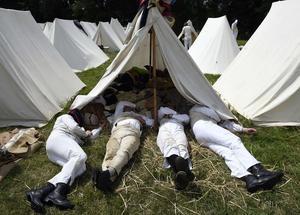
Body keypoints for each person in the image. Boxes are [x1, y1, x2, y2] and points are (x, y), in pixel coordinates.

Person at [189, 105, 283, 193]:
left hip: (200, 136)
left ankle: (249, 179)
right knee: (233, 140)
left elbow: (223, 122)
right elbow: (219, 117)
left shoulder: (201, 111)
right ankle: (259, 171)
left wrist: (243, 129)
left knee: (227, 153)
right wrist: (221, 111)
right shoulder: (198, 107)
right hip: (205, 127)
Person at [25, 109, 105, 213]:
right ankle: (58, 192)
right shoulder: (65, 117)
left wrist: (99, 128)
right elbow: (74, 127)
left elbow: (90, 136)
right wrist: (84, 134)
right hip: (58, 139)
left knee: (81, 167)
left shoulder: (78, 130)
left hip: (56, 149)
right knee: (80, 155)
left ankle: (41, 192)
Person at [92, 101, 153, 192]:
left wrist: (144, 119)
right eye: (126, 107)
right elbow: (121, 103)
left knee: (125, 151)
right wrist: (135, 106)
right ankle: (107, 179)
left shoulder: (141, 116)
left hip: (132, 132)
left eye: (130, 108)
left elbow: (153, 122)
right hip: (117, 131)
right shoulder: (118, 114)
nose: (127, 108)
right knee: (110, 153)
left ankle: (106, 175)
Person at [157, 107, 194, 190]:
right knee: (167, 142)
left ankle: (177, 171)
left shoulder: (181, 115)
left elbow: (187, 119)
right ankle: (185, 171)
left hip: (177, 127)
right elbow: (161, 110)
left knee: (181, 144)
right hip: (164, 127)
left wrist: (172, 115)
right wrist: (173, 115)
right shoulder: (161, 115)